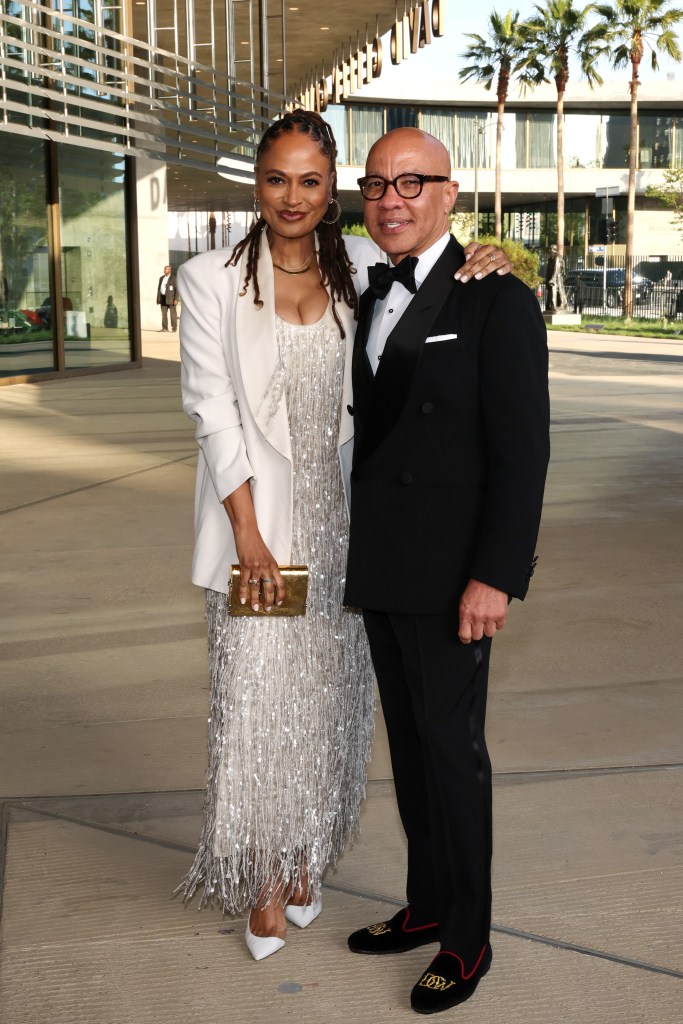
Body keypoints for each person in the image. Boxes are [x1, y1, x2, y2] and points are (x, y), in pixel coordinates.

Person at [176, 110, 511, 963]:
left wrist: (487, 255)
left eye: (311, 180)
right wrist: (248, 537)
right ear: (256, 182)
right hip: (259, 530)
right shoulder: (210, 278)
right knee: (254, 711)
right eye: (276, 178)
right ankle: (258, 878)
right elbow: (213, 416)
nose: (292, 196)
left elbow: (431, 273)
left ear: (333, 193)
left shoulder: (364, 264)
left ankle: (302, 860)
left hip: (359, 537)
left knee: (329, 711)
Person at [344, 128, 550, 1014]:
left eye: (412, 183)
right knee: (415, 749)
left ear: (448, 193)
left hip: (452, 574)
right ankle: (426, 903)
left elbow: (522, 452)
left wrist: (495, 575)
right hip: (382, 561)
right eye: (377, 184)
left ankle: (466, 939)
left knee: (453, 753)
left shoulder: (497, 296)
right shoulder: (363, 279)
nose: (392, 200)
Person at [157, 264, 177, 331]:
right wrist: (158, 298)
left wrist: (176, 299)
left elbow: (177, 289)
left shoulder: (174, 278)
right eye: (164, 269)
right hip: (163, 298)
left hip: (171, 298)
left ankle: (174, 328)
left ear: (170, 270)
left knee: (173, 314)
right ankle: (165, 328)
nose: (165, 270)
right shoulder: (161, 278)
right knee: (164, 314)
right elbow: (159, 288)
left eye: (166, 269)